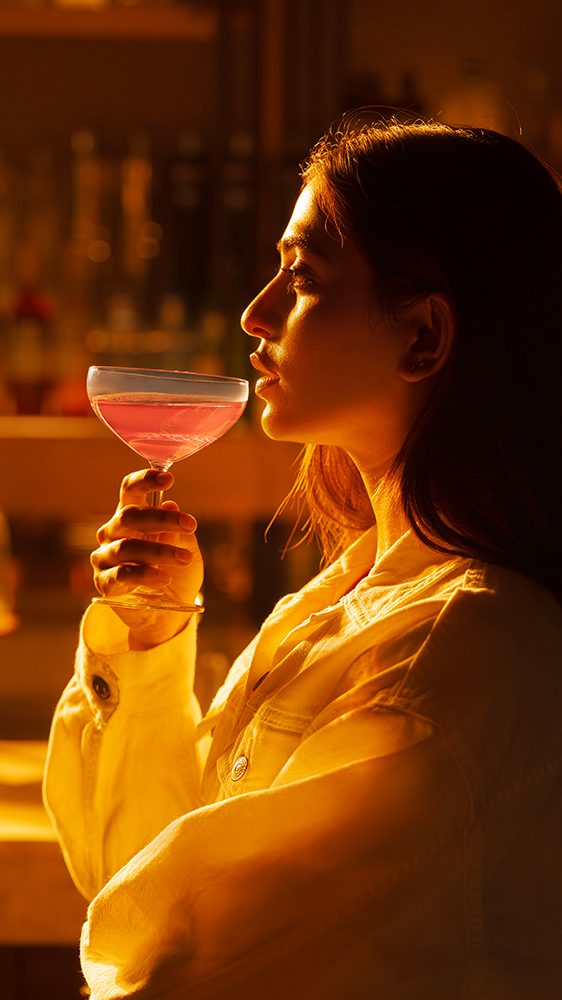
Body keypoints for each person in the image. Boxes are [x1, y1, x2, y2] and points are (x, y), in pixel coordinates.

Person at [44, 120, 562, 1000]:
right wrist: (151, 642)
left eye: (306, 276)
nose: (256, 312)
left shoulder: (459, 654)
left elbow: (185, 965)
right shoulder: (354, 598)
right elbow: (143, 881)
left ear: (424, 339)